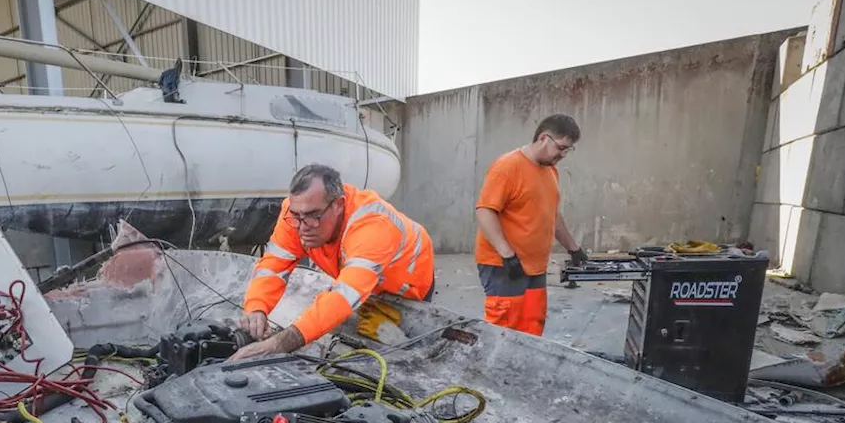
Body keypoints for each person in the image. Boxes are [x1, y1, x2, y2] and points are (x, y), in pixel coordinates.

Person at [231, 164, 435, 360]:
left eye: (313, 216)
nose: (302, 228)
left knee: (396, 352)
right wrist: (256, 307)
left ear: (338, 205)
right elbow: (273, 266)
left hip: (406, 288)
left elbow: (343, 296)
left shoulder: (373, 225)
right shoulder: (296, 214)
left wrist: (280, 344)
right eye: (297, 216)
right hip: (357, 279)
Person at [474, 114, 589, 336]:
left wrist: (574, 248)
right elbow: (485, 211)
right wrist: (507, 254)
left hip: (535, 266)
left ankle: (524, 369)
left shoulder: (550, 172)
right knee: (504, 328)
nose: (563, 155)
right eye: (561, 147)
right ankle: (497, 371)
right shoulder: (508, 166)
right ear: (544, 138)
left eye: (568, 150)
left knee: (532, 325)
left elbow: (552, 216)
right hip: (504, 265)